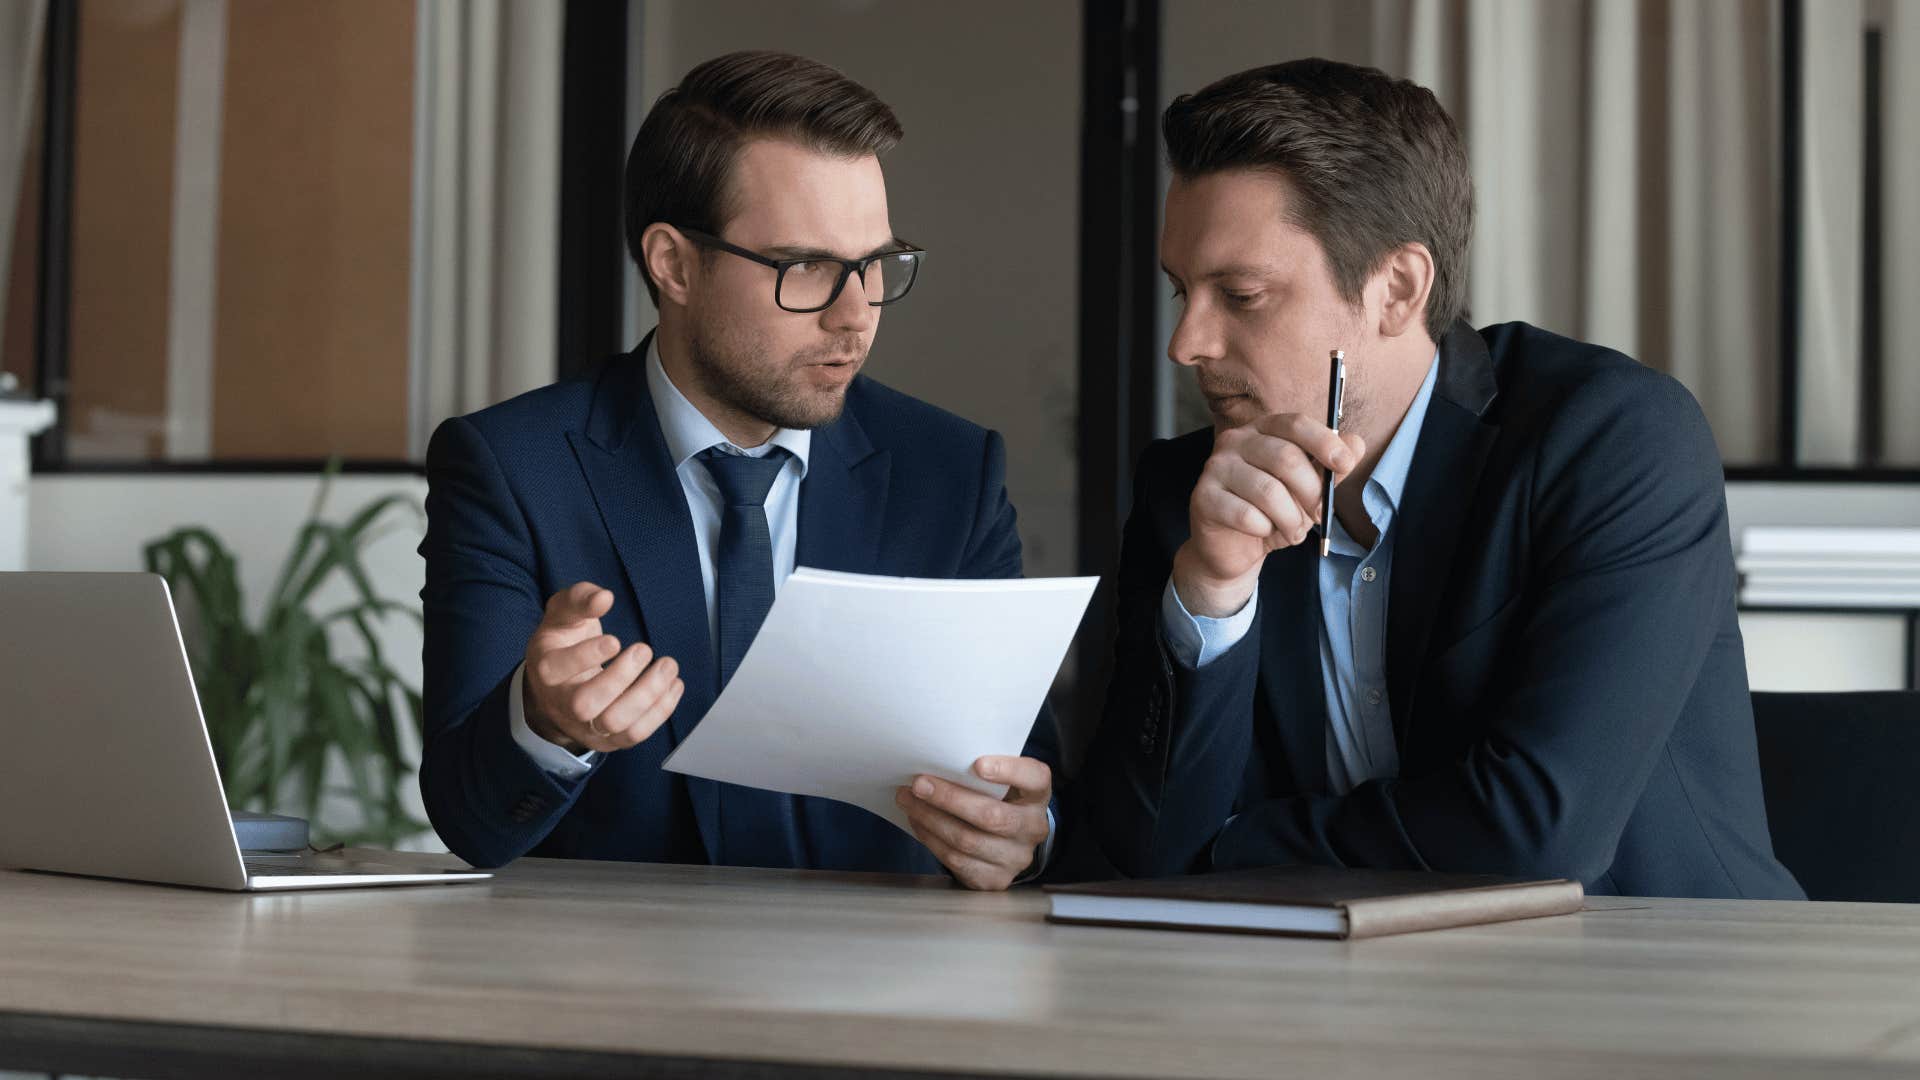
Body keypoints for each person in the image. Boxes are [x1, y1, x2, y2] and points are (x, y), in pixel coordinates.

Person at [1075, 58, 1803, 899]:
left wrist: (1236, 844)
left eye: (1240, 295)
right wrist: (1212, 592)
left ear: (1397, 288)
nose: (1187, 343)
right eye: (1181, 292)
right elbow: (1142, 845)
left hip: (1653, 986)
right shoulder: (1191, 493)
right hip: (1331, 997)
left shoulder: (1612, 440)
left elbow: (1536, 831)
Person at [418, 51, 1055, 889]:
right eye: (808, 269)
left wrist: (1025, 831)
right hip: (608, 992)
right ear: (674, 265)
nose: (856, 315)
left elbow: (1024, 778)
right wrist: (546, 725)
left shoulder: (953, 474)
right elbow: (470, 824)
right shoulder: (511, 467)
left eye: (875, 265)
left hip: (884, 989)